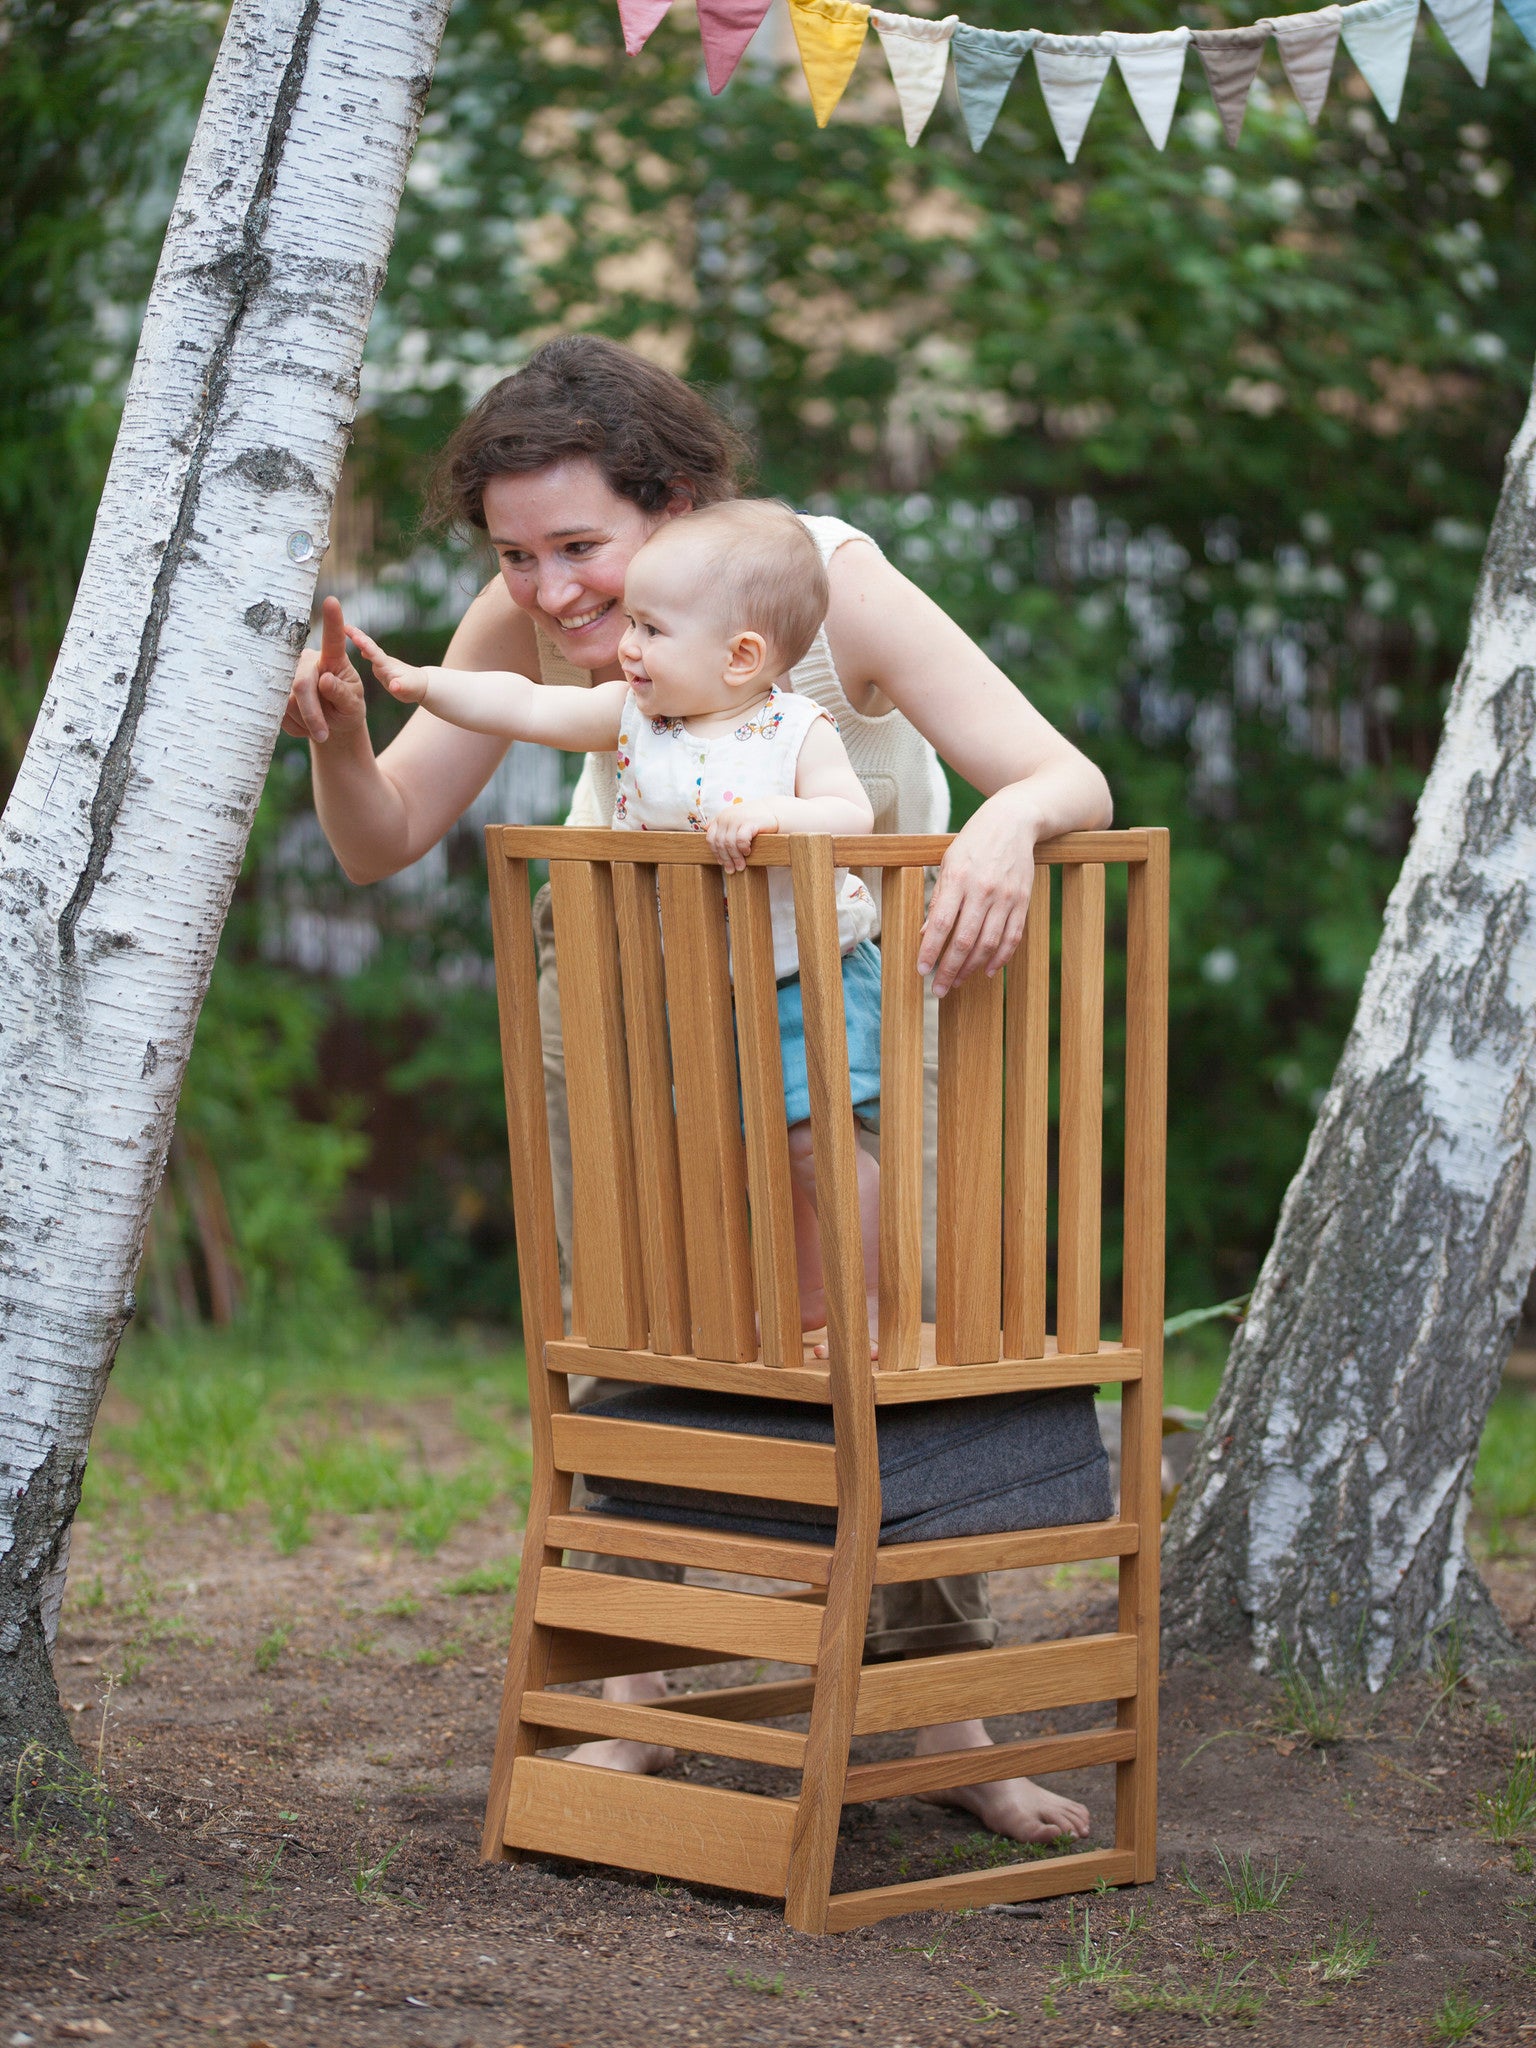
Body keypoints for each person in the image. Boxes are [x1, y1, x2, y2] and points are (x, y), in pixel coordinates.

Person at [285, 333, 1111, 1845]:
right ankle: (638, 1702)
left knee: (875, 1347)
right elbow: (381, 833)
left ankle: (949, 1724)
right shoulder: (534, 609)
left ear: (671, 503)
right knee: (645, 1330)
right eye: (515, 556)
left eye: (580, 548)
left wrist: (1007, 833)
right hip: (619, 994)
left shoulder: (822, 578)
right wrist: (343, 739)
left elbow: (1063, 777)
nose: (548, 595)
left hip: (836, 1011)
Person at [339, 498, 886, 1346]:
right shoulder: (634, 719)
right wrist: (421, 685)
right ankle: (787, 1316)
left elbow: (850, 817)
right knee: (740, 1156)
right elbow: (523, 705)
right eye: (631, 622)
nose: (625, 647)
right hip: (700, 985)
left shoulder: (790, 729)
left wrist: (776, 816)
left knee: (816, 1148)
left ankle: (862, 1311)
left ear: (742, 656)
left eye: (652, 629)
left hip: (802, 977)